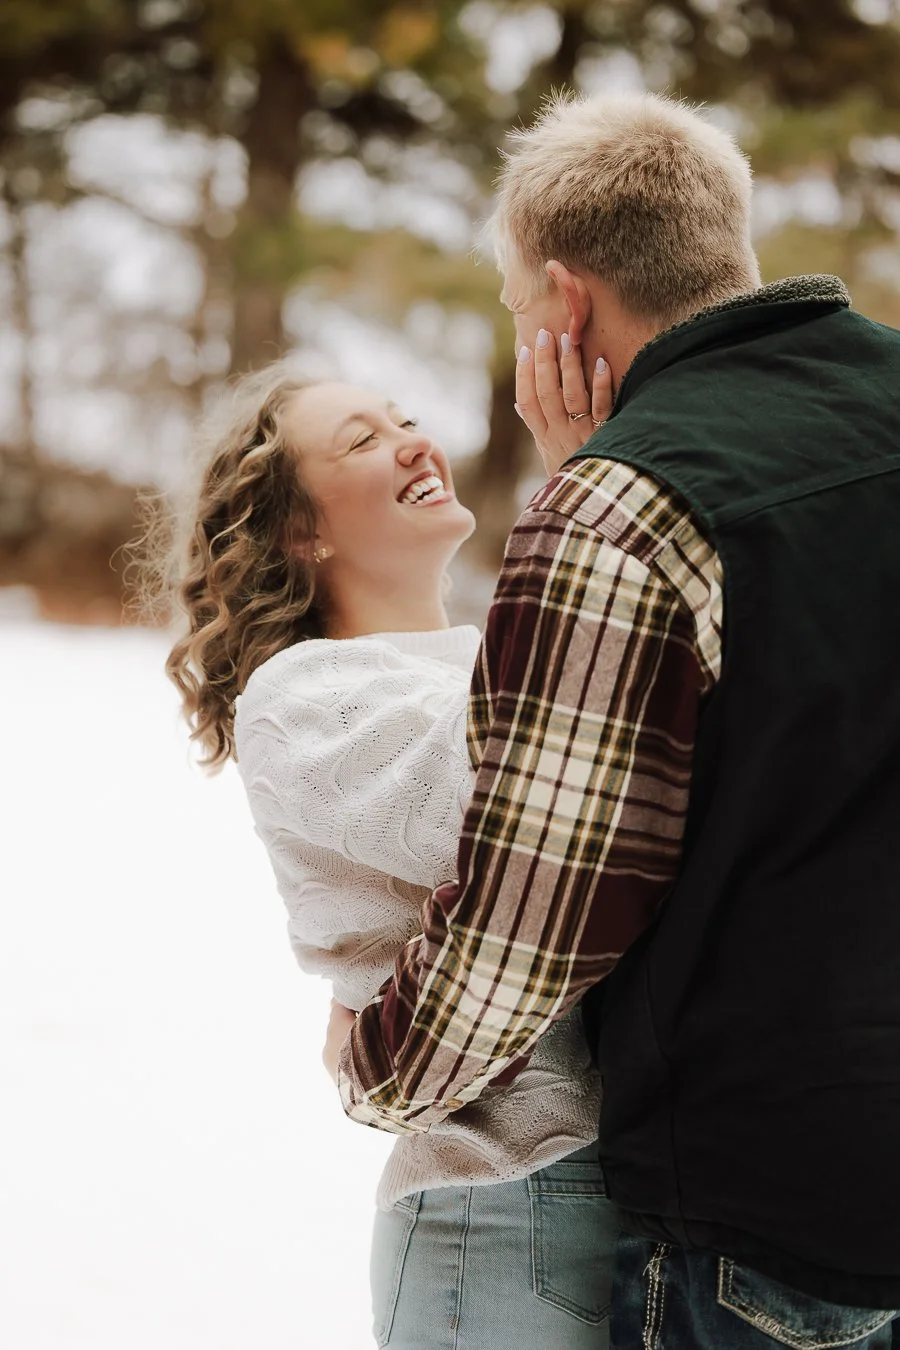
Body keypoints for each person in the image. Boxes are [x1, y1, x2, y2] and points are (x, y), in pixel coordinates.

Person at [332, 91, 900, 1347]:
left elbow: (536, 916)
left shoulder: (619, 515)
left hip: (784, 1218)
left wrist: (379, 1071)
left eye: (517, 306)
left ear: (564, 297)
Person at [157, 356, 619, 1348]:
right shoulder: (303, 697)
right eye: (362, 439)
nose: (415, 439)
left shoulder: (479, 650)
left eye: (406, 416)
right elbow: (511, 798)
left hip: (603, 1188)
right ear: (300, 531)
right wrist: (595, 499)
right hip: (493, 1203)